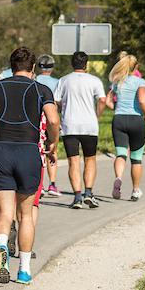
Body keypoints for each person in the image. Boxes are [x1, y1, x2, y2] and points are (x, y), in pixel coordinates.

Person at [0, 46, 59, 286]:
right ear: (33, 67)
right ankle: (24, 270)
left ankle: (1, 249)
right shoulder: (41, 89)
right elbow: (53, 119)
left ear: (11, 65)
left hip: (0, 151)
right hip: (28, 151)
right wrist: (53, 141)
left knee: (4, 214)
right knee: (25, 214)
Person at [55, 51, 109, 209]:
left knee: (73, 161)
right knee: (90, 159)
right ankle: (89, 193)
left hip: (69, 125)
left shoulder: (63, 80)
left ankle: (77, 197)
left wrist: (62, 110)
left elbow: (56, 101)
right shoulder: (94, 80)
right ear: (86, 64)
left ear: (72, 64)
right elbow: (103, 100)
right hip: (89, 125)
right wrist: (97, 115)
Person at [109, 54, 145, 200]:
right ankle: (135, 190)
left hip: (118, 119)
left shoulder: (116, 82)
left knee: (121, 154)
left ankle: (118, 178)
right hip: (135, 120)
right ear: (136, 67)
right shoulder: (140, 82)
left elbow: (108, 100)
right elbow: (142, 99)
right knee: (136, 158)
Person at [33, 55, 61, 197]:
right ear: (52, 67)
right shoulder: (57, 82)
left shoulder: (35, 80)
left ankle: (40, 184)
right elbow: (57, 102)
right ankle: (52, 184)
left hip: (37, 119)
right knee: (52, 148)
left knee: (38, 149)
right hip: (51, 118)